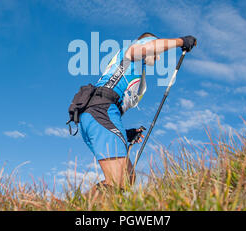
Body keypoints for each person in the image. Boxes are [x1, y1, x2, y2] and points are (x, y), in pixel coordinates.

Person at [79, 33, 197, 191]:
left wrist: (125, 133)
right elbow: (145, 48)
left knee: (127, 179)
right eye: (157, 53)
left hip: (100, 114)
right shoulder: (132, 52)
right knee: (117, 182)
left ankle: (78, 204)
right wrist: (181, 42)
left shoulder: (132, 67)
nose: (157, 58)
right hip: (100, 110)